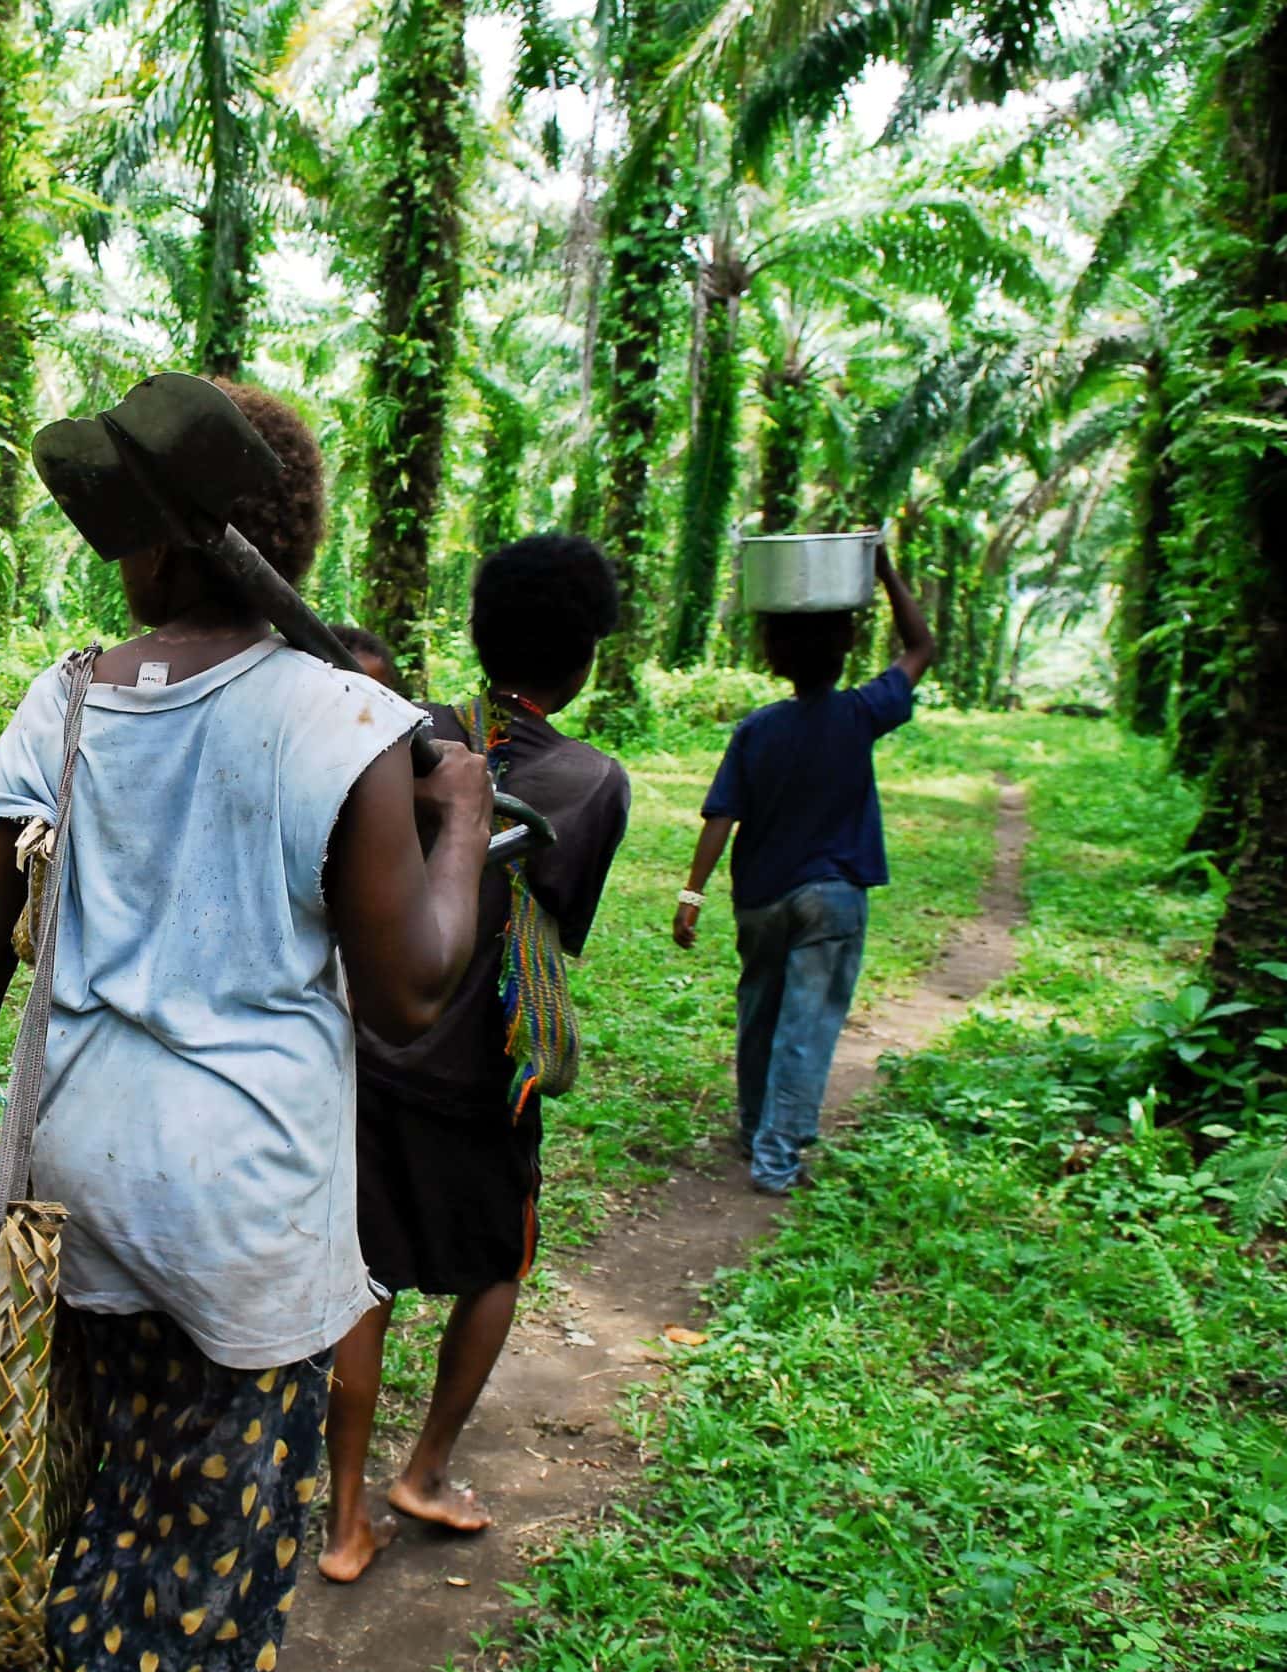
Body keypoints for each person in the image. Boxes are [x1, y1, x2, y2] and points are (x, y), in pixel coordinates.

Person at [0, 380, 494, 1672]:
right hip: (240, 1204)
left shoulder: (61, 704)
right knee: (208, 1561)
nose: (115, 563)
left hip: (76, 1179)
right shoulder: (339, 723)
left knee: (101, 1500)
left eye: (125, 536)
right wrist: (460, 816)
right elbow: (408, 995)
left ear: (167, 550)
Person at [314, 539, 632, 1582]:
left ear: (475, 634)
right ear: (583, 662)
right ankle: (427, 1471)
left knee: (359, 1273)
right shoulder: (592, 781)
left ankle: (343, 1520)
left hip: (368, 1045)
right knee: (495, 1262)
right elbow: (564, 919)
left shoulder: (404, 736)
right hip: (483, 1072)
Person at [672, 543, 937, 1194]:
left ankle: (754, 1126)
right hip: (834, 898)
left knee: (759, 1012)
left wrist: (692, 893)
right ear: (846, 648)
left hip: (760, 899)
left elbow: (720, 817)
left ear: (773, 657)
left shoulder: (757, 730)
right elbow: (921, 648)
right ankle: (776, 1158)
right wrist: (884, 569)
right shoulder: (860, 712)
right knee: (805, 1027)